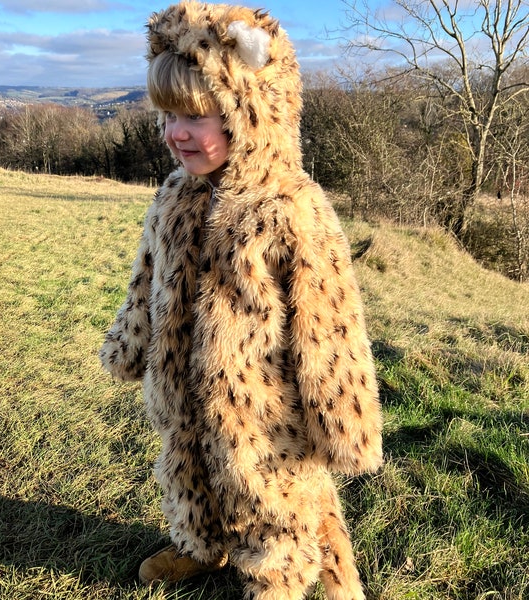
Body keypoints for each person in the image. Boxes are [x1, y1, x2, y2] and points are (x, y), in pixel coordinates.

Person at [99, 2, 383, 599]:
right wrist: (129, 343)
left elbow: (329, 326)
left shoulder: (290, 208)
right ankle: (200, 546)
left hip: (263, 416)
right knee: (188, 476)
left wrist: (346, 424)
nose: (177, 133)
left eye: (196, 116)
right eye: (168, 115)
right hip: (181, 396)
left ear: (249, 113)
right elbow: (145, 281)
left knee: (272, 505)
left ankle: (278, 579)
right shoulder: (172, 197)